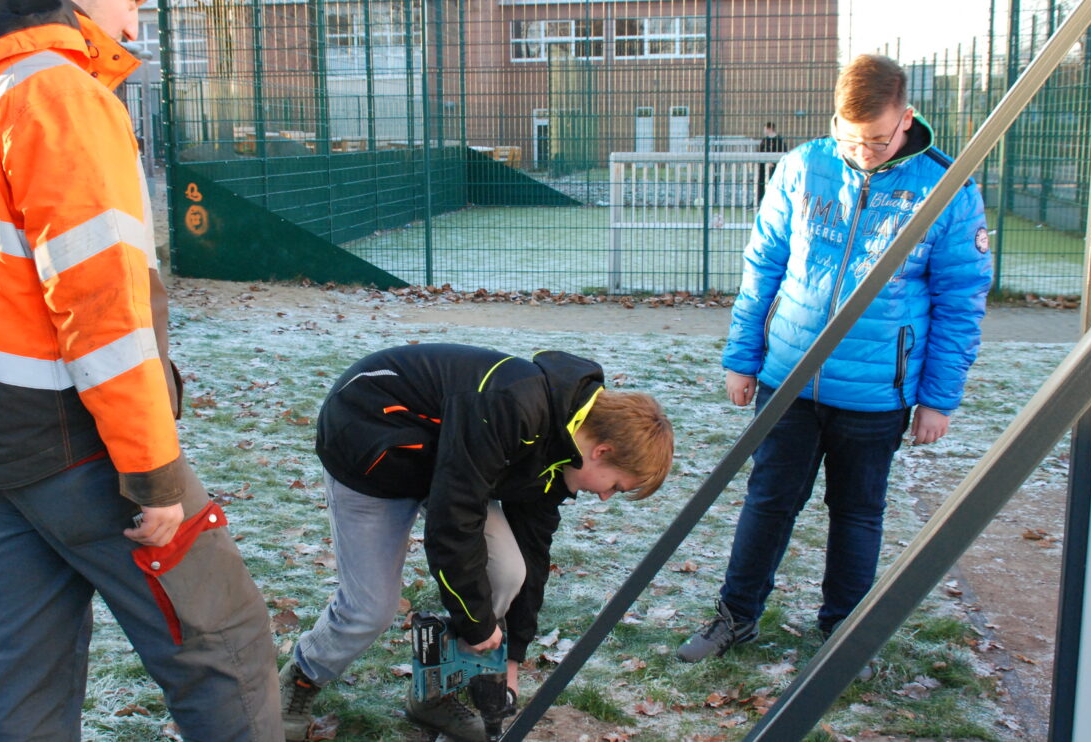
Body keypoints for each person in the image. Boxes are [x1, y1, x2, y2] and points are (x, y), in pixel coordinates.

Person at [0, 0, 282, 738]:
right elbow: (102, 309)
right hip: (79, 444)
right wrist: (153, 476)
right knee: (224, 647)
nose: (137, 16)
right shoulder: (53, 91)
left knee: (24, 674)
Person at [678, 54, 992, 662]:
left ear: (905, 117)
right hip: (788, 379)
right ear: (834, 121)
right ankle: (735, 618)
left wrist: (937, 398)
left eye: (877, 139)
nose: (865, 152)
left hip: (877, 394)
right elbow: (763, 265)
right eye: (852, 138)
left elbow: (961, 302)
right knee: (768, 502)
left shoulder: (948, 187)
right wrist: (742, 357)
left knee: (857, 514)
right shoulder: (804, 166)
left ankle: (842, 635)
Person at [280, 344, 674, 741]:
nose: (606, 497)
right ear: (601, 452)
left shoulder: (563, 451)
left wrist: (513, 657)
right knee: (370, 608)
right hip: (372, 442)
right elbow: (453, 526)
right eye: (616, 486)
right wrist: (478, 624)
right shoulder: (514, 405)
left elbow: (533, 551)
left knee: (507, 572)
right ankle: (300, 680)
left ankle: (432, 693)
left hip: (448, 465)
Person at [756, 122, 787, 205]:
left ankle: (774, 201)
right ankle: (759, 200)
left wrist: (774, 161)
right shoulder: (764, 140)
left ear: (769, 128)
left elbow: (783, 152)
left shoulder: (779, 140)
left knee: (774, 182)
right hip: (763, 167)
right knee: (762, 182)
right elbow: (760, 151)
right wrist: (766, 161)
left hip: (776, 167)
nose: (764, 130)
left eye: (765, 128)